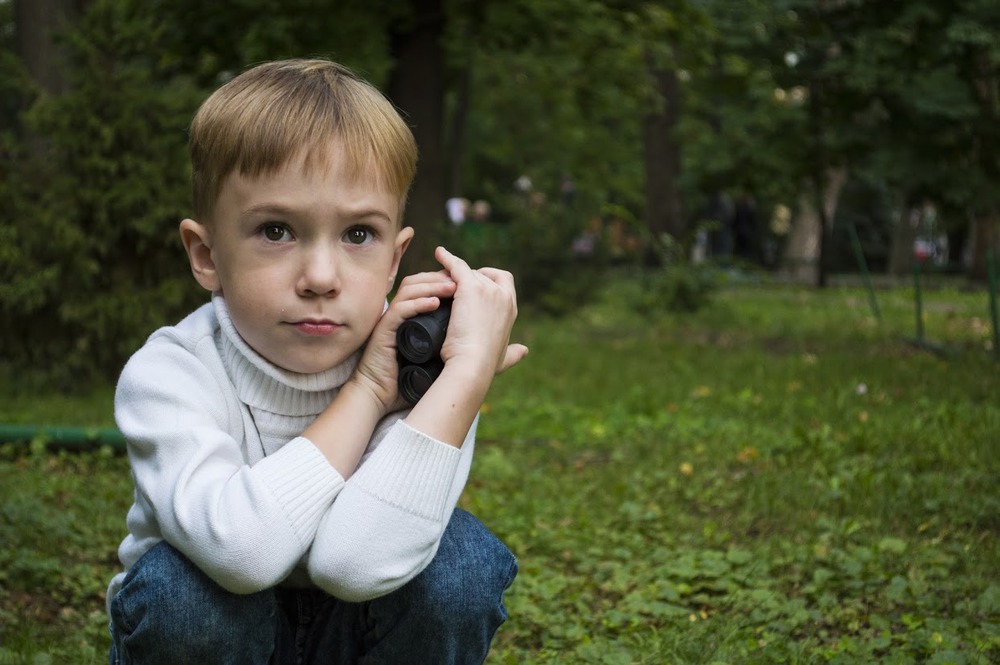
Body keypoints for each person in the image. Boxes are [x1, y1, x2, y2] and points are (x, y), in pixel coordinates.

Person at [106, 58, 528, 664]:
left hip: (363, 627)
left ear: (394, 259)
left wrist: (463, 376)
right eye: (276, 230)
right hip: (218, 634)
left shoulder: (432, 367)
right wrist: (367, 391)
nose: (321, 278)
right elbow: (242, 552)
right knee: (186, 591)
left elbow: (357, 565)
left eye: (358, 235)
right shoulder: (172, 373)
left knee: (460, 565)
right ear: (205, 254)